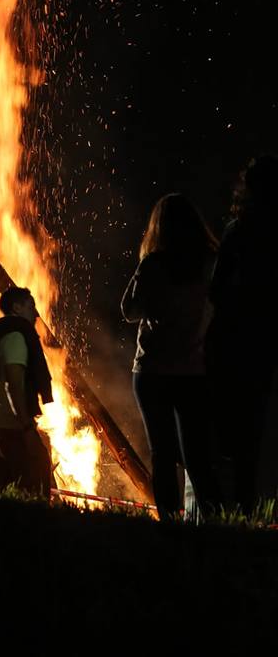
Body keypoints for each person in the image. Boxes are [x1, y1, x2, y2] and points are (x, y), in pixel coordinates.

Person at [121, 193, 221, 521]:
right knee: (197, 454)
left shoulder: (154, 263)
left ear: (158, 227)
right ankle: (212, 521)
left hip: (152, 371)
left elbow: (129, 310)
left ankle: (169, 523)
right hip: (193, 370)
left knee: (161, 454)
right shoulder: (210, 262)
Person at [206, 154, 278, 513]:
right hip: (265, 341)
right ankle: (247, 511)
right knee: (254, 429)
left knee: (223, 431)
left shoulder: (240, 229)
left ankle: (222, 513)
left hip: (233, 338)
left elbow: (216, 289)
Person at [0, 287, 54, 498]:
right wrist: (27, 426)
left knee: (2, 490)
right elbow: (14, 385)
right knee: (33, 487)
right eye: (31, 306)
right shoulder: (16, 336)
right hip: (11, 428)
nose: (35, 313)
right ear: (16, 307)